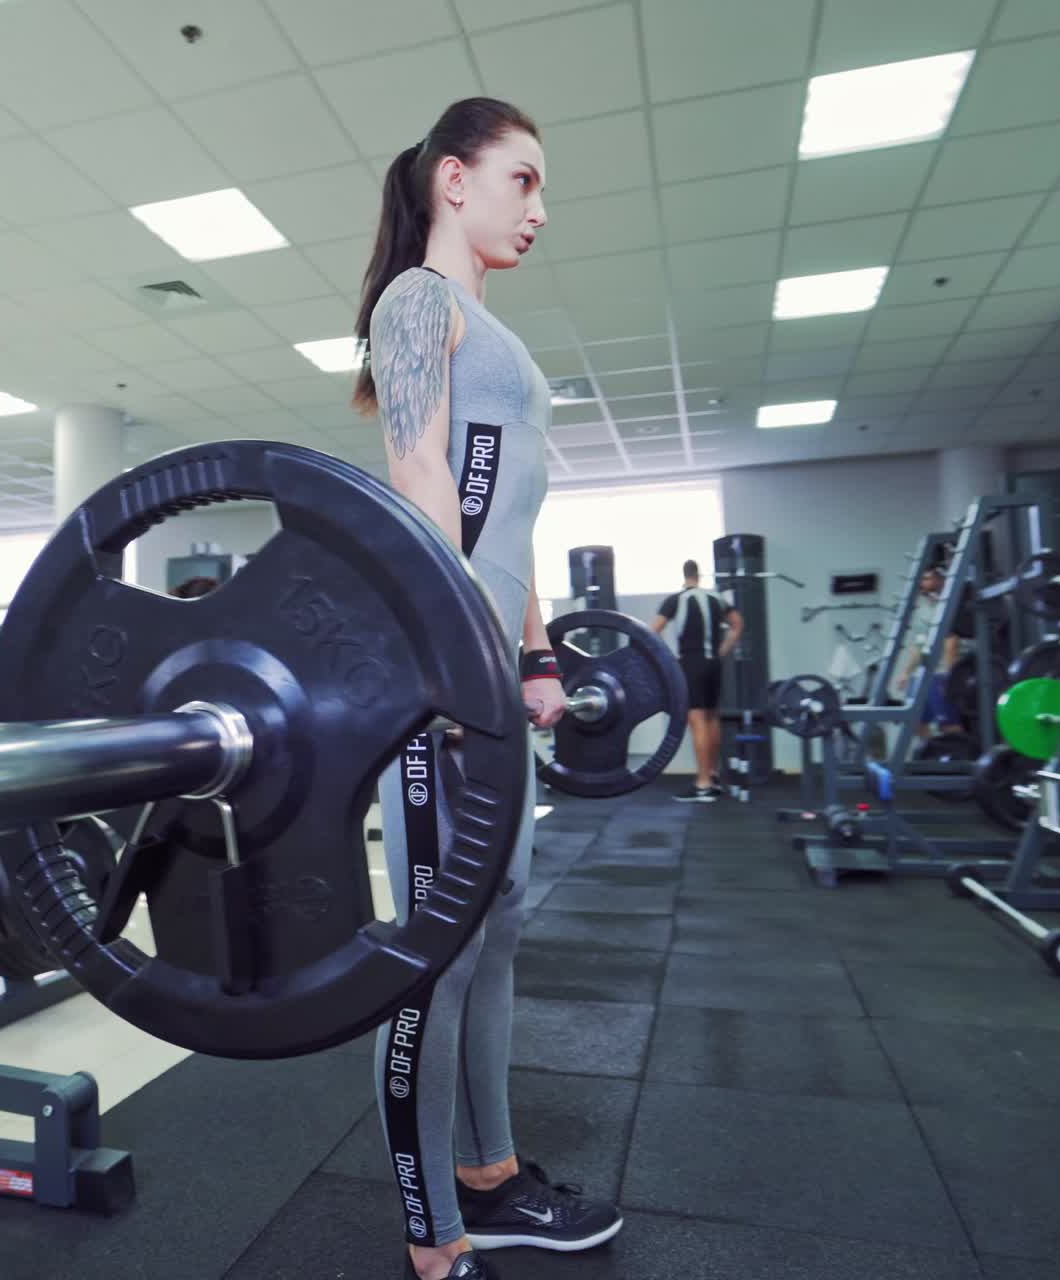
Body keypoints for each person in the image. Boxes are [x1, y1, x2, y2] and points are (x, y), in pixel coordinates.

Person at [352, 97, 623, 1280]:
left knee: (497, 926)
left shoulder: (486, 332)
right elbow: (422, 487)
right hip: (433, 685)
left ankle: (492, 1175)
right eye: (523, 180)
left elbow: (500, 518)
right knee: (436, 954)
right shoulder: (418, 305)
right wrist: (471, 666)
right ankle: (431, 1234)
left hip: (487, 678)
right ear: (452, 180)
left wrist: (537, 652)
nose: (540, 208)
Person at [651, 559, 742, 802]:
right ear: (699, 575)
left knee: (697, 719)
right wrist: (722, 650)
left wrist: (668, 659)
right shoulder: (716, 598)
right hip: (713, 664)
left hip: (691, 664)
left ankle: (702, 785)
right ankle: (712, 776)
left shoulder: (677, 599)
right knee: (712, 716)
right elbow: (738, 625)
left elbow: (653, 631)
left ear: (684, 576)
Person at [894, 564, 964, 740]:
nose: (922, 583)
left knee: (948, 723)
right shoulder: (924, 609)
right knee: (915, 721)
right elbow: (920, 644)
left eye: (927, 578)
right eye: (922, 579)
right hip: (923, 675)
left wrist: (951, 677)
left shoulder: (949, 605)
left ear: (940, 580)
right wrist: (906, 673)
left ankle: (957, 756)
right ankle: (933, 753)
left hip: (942, 674)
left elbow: (952, 643)